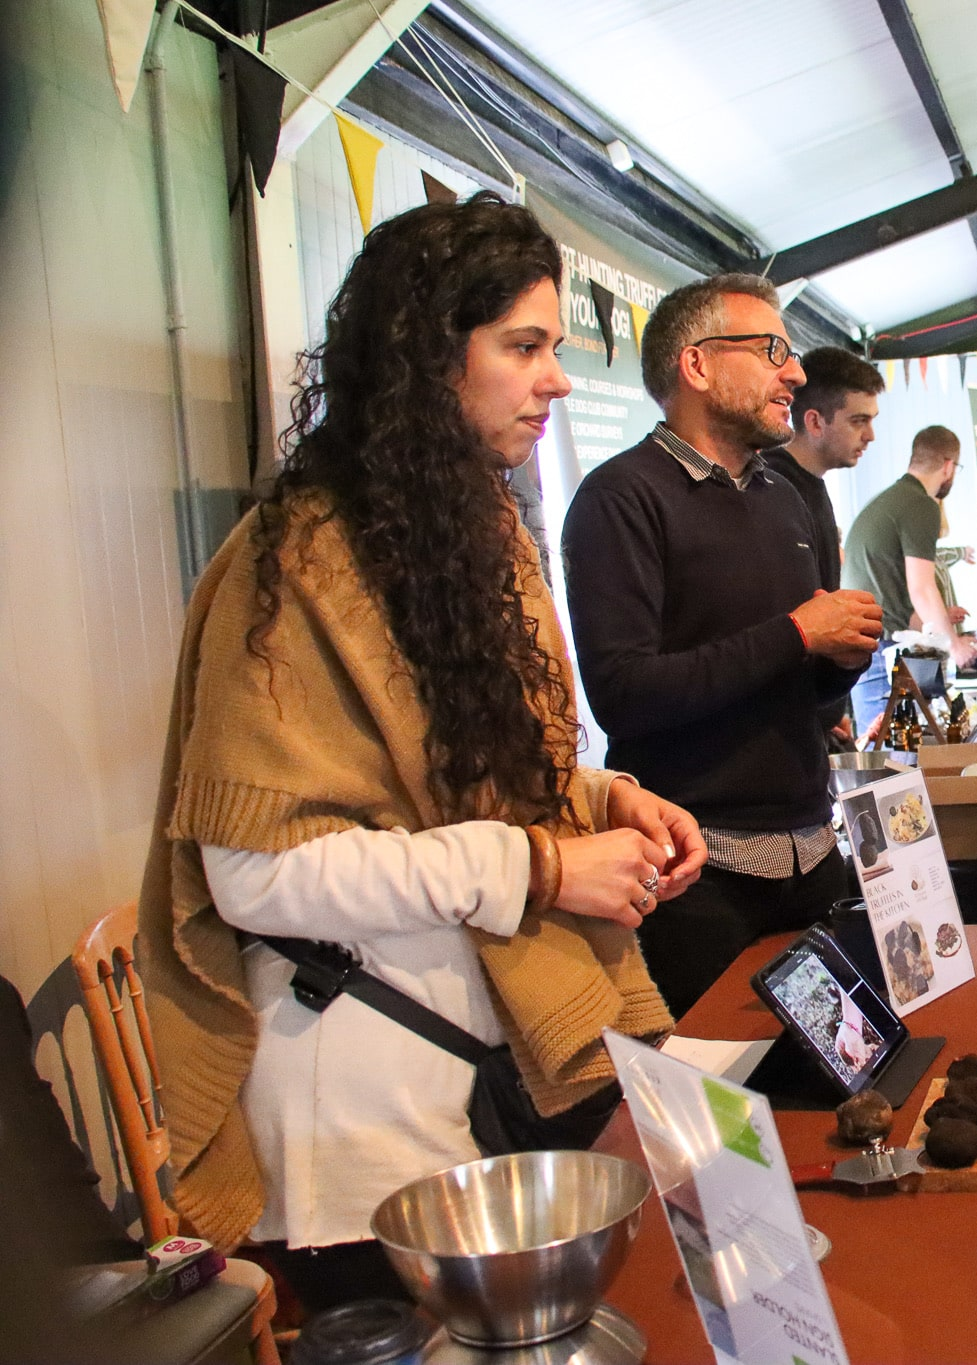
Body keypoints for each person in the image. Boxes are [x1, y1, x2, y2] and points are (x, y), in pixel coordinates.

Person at [136, 195, 707, 1309]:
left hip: (479, 1090)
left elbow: (448, 780)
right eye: (524, 347)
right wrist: (542, 866)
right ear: (425, 355)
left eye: (553, 348)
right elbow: (253, 874)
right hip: (366, 1136)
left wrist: (601, 800)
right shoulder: (290, 560)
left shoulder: (473, 530)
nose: (552, 379)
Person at [562, 274, 880, 1016]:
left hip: (813, 858)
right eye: (772, 349)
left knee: (836, 1096)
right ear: (696, 365)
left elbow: (798, 692)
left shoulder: (783, 497)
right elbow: (625, 695)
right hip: (697, 878)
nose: (795, 372)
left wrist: (841, 658)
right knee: (719, 1112)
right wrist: (800, 632)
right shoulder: (621, 498)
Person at [764, 345, 885, 746]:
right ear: (814, 421)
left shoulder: (812, 486)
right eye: (858, 421)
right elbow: (790, 623)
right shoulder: (773, 490)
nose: (869, 435)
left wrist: (832, 708)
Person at [843, 425, 977, 733]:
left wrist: (941, 622)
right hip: (881, 657)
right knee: (893, 768)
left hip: (868, 649)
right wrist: (953, 645)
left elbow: (892, 598)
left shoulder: (891, 500)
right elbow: (922, 587)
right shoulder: (921, 504)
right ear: (948, 466)